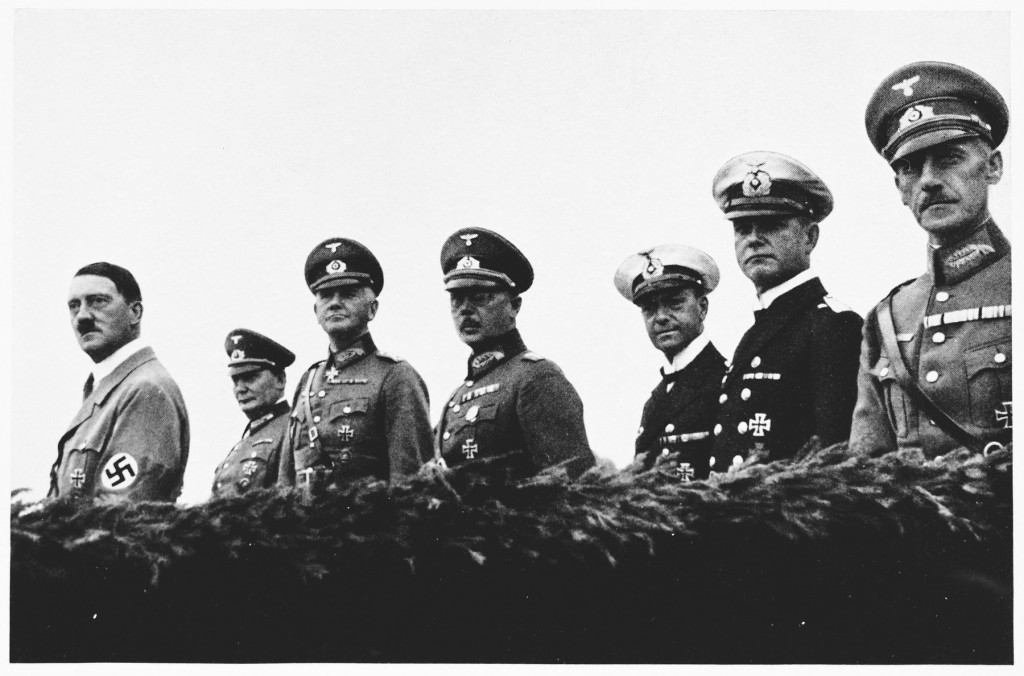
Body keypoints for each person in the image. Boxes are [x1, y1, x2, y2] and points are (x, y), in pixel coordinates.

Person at [851, 61, 1011, 458]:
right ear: (900, 189)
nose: (928, 180)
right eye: (910, 168)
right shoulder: (888, 318)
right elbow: (865, 466)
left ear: (993, 167)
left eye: (949, 158)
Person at [711, 152, 863, 466]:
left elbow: (835, 457)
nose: (754, 239)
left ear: (810, 237)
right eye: (742, 228)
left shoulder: (834, 325)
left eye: (772, 225)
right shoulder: (755, 334)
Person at [433, 227, 596, 478]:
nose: (466, 309)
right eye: (457, 299)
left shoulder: (537, 378)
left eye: (480, 297)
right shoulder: (457, 397)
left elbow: (572, 483)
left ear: (514, 305)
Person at [279, 237, 432, 489]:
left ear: (372, 309)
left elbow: (410, 483)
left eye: (348, 294)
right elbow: (285, 482)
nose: (335, 302)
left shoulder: (395, 376)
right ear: (316, 311)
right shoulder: (308, 381)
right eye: (326, 295)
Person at [50, 262, 190, 502]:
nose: (82, 316)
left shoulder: (146, 389)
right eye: (74, 306)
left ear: (135, 313)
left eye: (98, 301)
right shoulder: (107, 388)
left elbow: (123, 509)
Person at [614, 244, 726, 480]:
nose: (661, 317)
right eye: (649, 308)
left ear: (702, 308)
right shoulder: (656, 400)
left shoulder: (726, 381)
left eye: (674, 303)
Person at [210, 328, 295, 498]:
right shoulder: (247, 439)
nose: (240, 389)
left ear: (280, 380)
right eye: (236, 381)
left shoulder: (292, 428)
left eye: (250, 378)